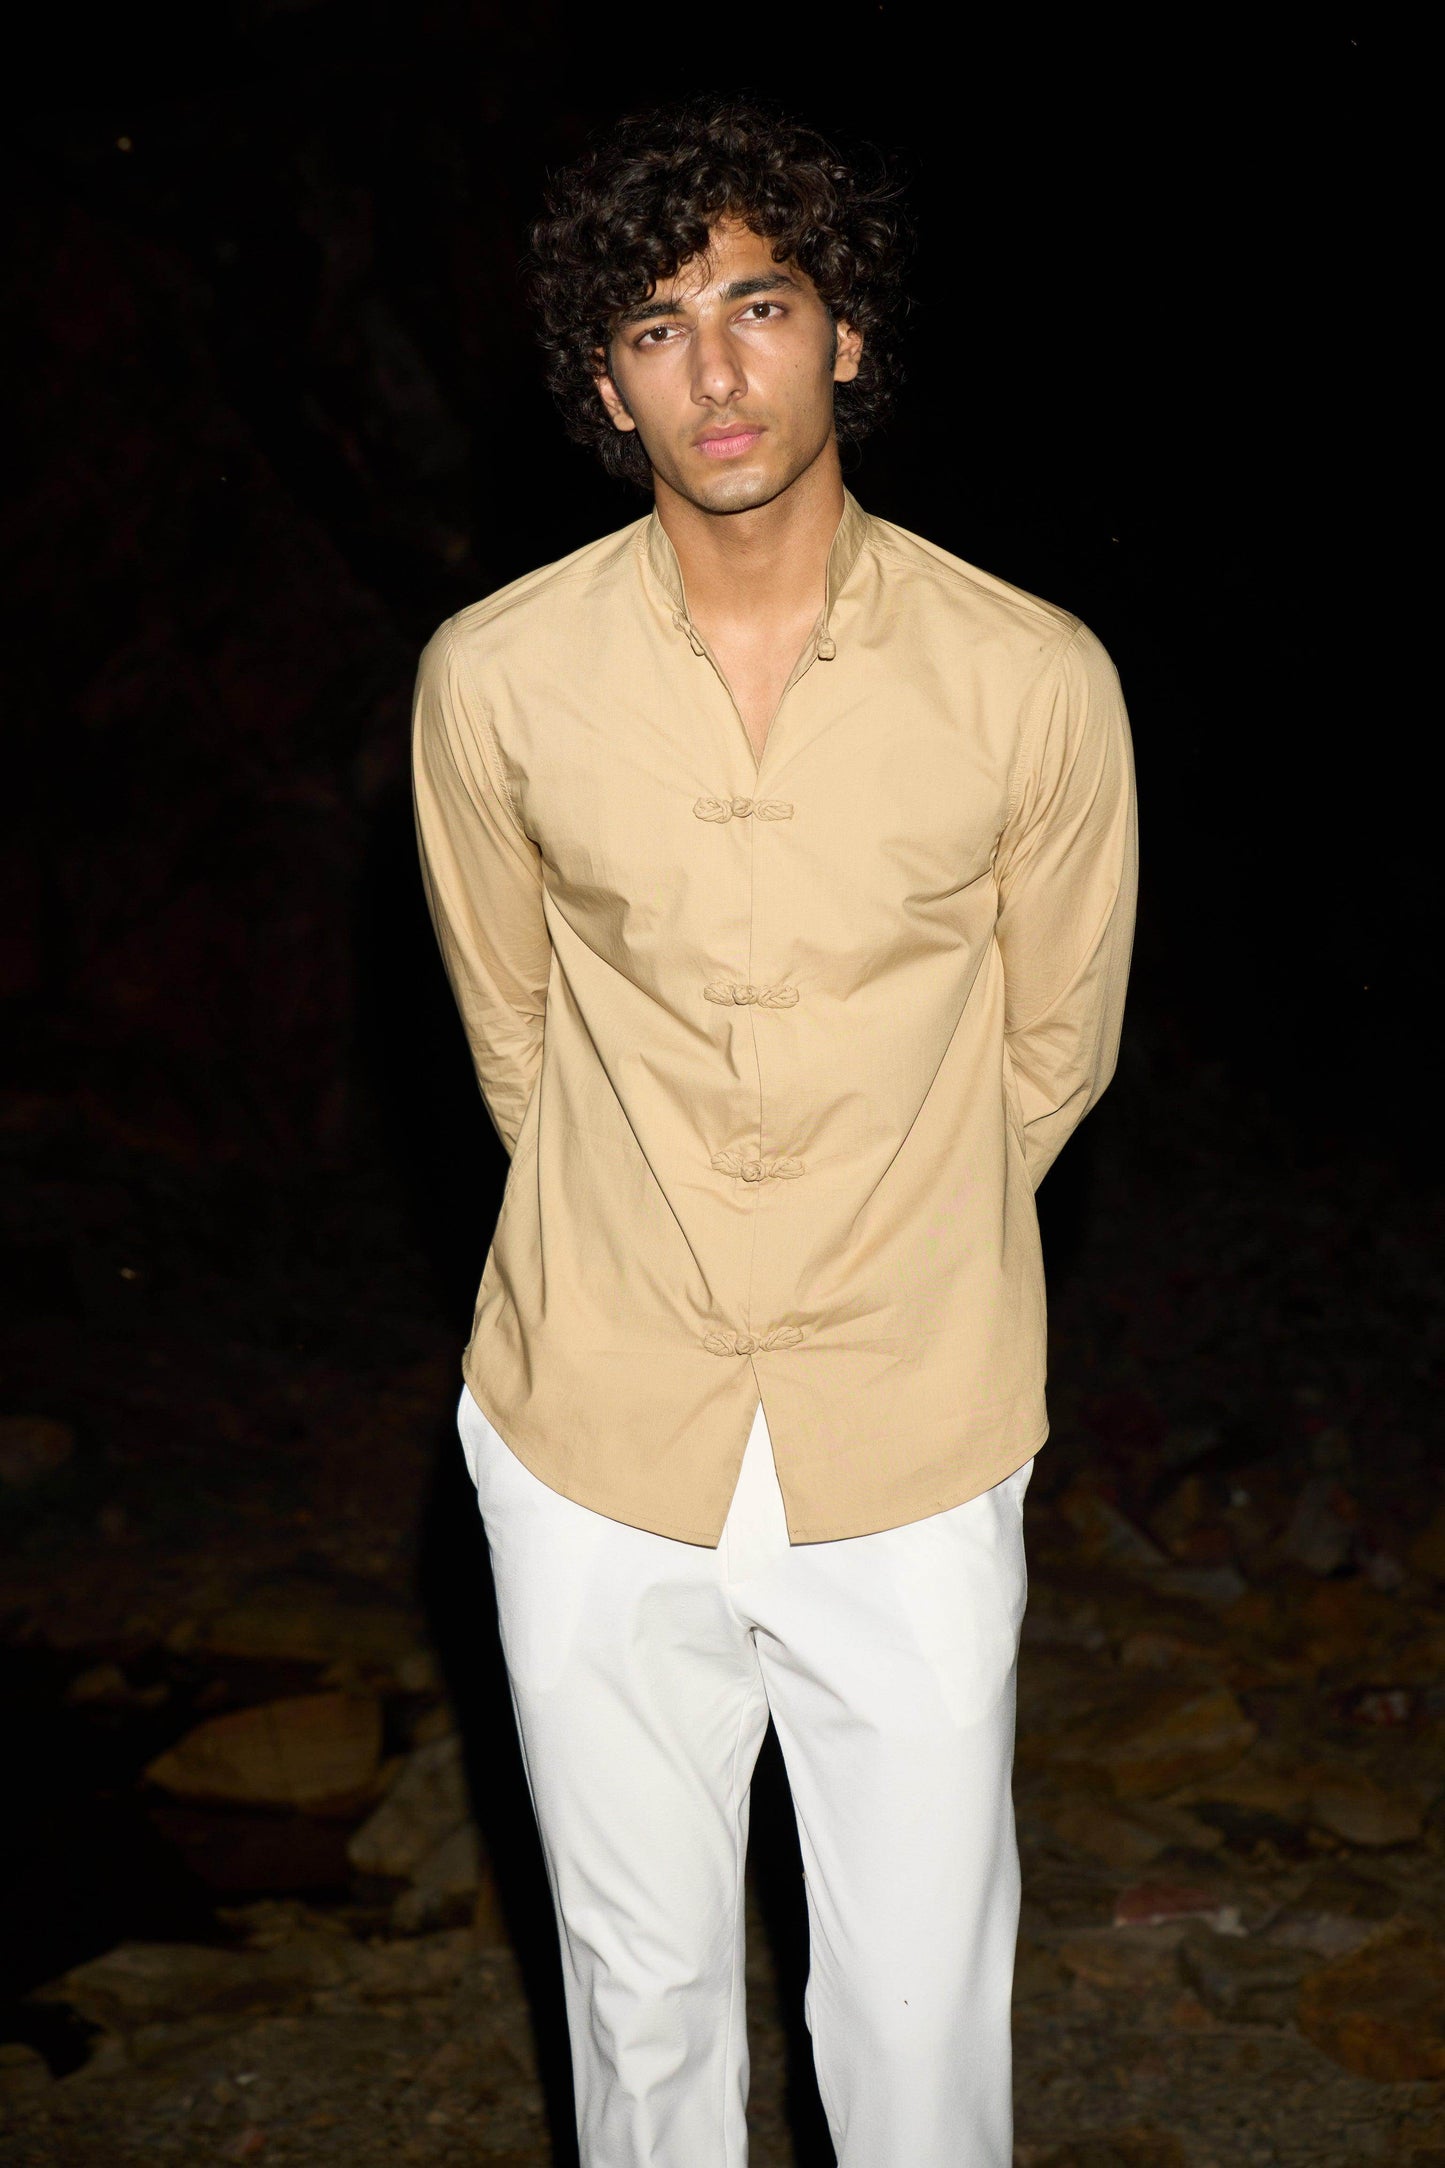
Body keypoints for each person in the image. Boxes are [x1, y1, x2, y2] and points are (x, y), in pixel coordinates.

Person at [412, 93, 1137, 2168]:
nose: (713, 370)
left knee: (914, 2022)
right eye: (654, 327)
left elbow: (1054, 1049)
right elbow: (515, 1041)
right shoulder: (495, 678)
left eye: (757, 304)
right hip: (591, 1422)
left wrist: (879, 1238)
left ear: (844, 335)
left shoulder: (1029, 678)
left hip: (909, 1425)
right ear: (604, 383)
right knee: (639, 2009)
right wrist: (646, 1231)